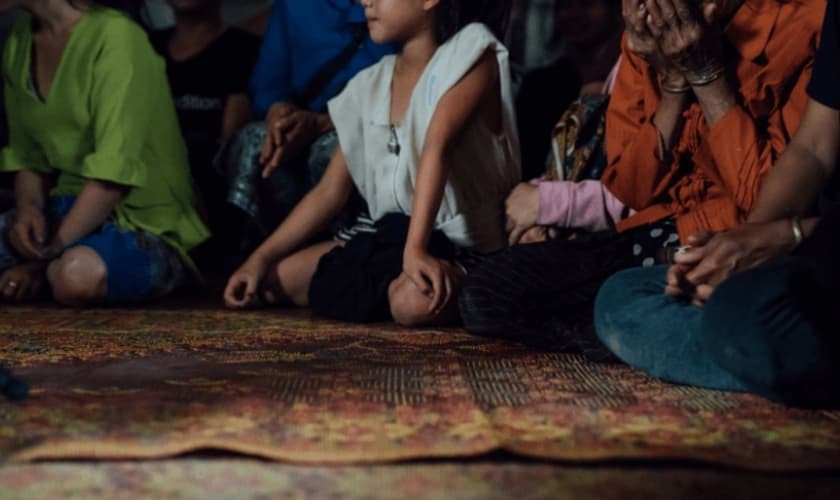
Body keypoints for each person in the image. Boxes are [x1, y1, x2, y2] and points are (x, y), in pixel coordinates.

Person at [458, 0, 823, 357]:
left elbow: (766, 203)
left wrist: (705, 74)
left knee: (611, 299)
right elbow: (630, 188)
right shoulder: (656, 21)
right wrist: (674, 83)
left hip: (731, 232)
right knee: (487, 295)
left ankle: (713, 335)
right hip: (651, 227)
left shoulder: (806, 24)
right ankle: (662, 321)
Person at [594, 0, 840, 408]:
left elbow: (757, 194)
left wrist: (705, 75)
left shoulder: (806, 19)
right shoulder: (653, 33)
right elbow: (814, 151)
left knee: (742, 316)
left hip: (807, 232)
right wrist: (745, 249)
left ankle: (765, 353)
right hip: (794, 242)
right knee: (620, 295)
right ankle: (759, 350)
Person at [223, 0, 520, 327]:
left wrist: (416, 251)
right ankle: (386, 284)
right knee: (267, 282)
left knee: (413, 304)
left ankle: (437, 284)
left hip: (459, 244)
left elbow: (437, 147)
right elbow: (328, 193)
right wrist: (259, 259)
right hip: (386, 238)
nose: (365, 1)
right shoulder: (368, 84)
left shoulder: (472, 51)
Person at [0, 0, 209, 305]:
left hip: (139, 220)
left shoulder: (117, 36)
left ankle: (44, 273)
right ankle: (42, 272)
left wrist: (43, 258)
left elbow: (112, 181)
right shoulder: (20, 39)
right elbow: (28, 157)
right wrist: (29, 211)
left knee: (76, 276)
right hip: (63, 210)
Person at [221, 0, 398, 244]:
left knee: (335, 148)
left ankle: (341, 249)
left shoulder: (396, 7)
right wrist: (279, 114)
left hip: (368, 125)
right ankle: (259, 254)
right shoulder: (294, 4)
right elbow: (269, 82)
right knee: (257, 141)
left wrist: (323, 123)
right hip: (301, 121)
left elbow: (402, 90)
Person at [150, 0, 261, 267]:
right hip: (148, 178)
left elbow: (229, 143)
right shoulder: (147, 45)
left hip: (209, 189)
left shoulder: (242, 48)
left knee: (198, 148)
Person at [517, 0, 624, 180]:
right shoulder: (539, 86)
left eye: (586, 4)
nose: (574, 14)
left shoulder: (629, 80)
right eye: (565, 5)